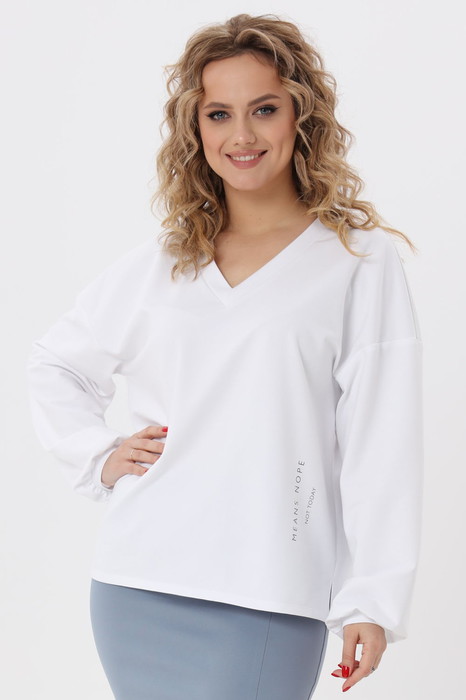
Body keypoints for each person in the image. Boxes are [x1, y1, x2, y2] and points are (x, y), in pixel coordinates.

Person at [27, 13, 423, 700]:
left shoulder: (356, 261)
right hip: (137, 585)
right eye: (219, 114)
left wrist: (373, 599)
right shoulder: (164, 262)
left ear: (301, 117)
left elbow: (382, 439)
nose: (241, 136)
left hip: (269, 591)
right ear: (196, 129)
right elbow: (55, 364)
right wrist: (98, 455)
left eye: (263, 109)